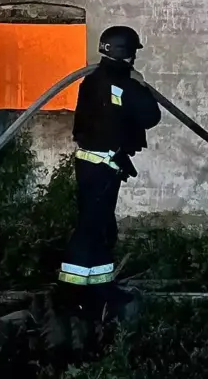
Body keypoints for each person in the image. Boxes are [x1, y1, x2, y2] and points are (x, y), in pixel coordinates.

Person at [58, 26, 161, 320]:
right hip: (101, 164)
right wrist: (141, 86)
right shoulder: (122, 83)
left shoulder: (93, 80)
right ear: (125, 53)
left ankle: (100, 287)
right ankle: (71, 293)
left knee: (102, 228)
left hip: (97, 163)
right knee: (90, 229)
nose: (134, 59)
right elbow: (151, 116)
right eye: (133, 53)